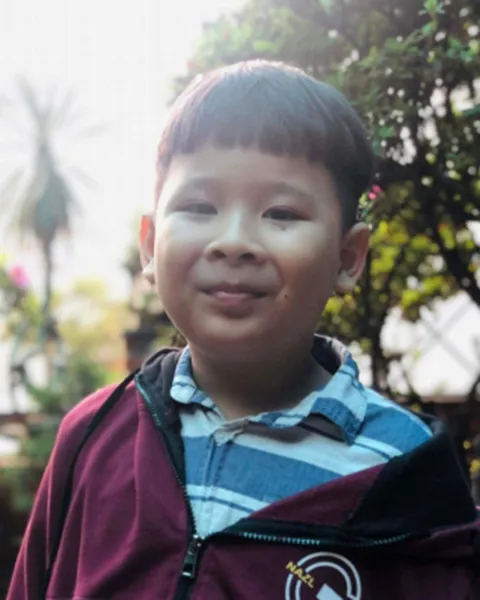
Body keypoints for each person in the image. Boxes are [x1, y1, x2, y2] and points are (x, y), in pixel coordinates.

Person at [7, 61, 480, 600]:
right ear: (151, 245)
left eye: (281, 213)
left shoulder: (405, 474)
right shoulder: (96, 434)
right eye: (199, 206)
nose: (233, 242)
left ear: (348, 256)